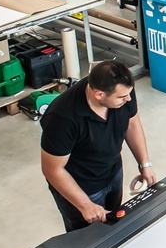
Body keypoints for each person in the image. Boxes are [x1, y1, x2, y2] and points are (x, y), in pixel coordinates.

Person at [40, 61, 156, 232]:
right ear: (99, 94)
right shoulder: (62, 118)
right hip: (83, 187)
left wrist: (144, 164)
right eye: (122, 97)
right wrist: (85, 205)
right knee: (88, 237)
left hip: (113, 172)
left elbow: (132, 123)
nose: (129, 99)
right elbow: (52, 170)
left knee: (113, 225)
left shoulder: (123, 91)